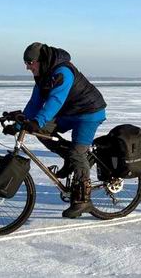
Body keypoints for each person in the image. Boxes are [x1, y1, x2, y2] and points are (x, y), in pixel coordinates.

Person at [9, 42, 107, 218]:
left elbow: (56, 100)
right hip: (70, 113)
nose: (27, 67)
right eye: (26, 63)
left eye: (30, 63)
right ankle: (71, 159)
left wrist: (38, 120)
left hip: (89, 112)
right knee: (39, 130)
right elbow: (34, 104)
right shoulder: (43, 75)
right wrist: (19, 125)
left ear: (41, 60)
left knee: (78, 152)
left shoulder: (63, 72)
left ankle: (84, 200)